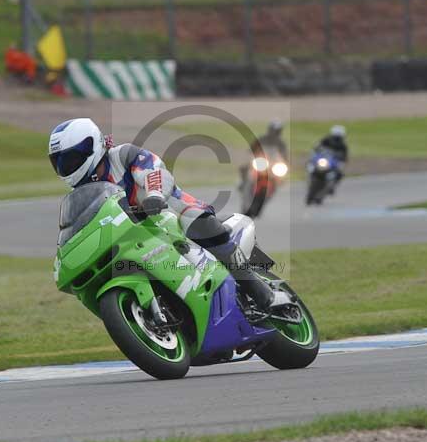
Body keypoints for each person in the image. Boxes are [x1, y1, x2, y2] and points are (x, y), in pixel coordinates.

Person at [48, 118, 292, 312]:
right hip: (136, 234)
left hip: (171, 211)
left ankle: (262, 294)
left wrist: (154, 194)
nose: (66, 167)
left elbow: (153, 168)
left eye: (71, 158)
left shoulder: (122, 155)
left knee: (200, 225)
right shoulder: (83, 193)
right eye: (59, 162)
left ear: (93, 146)